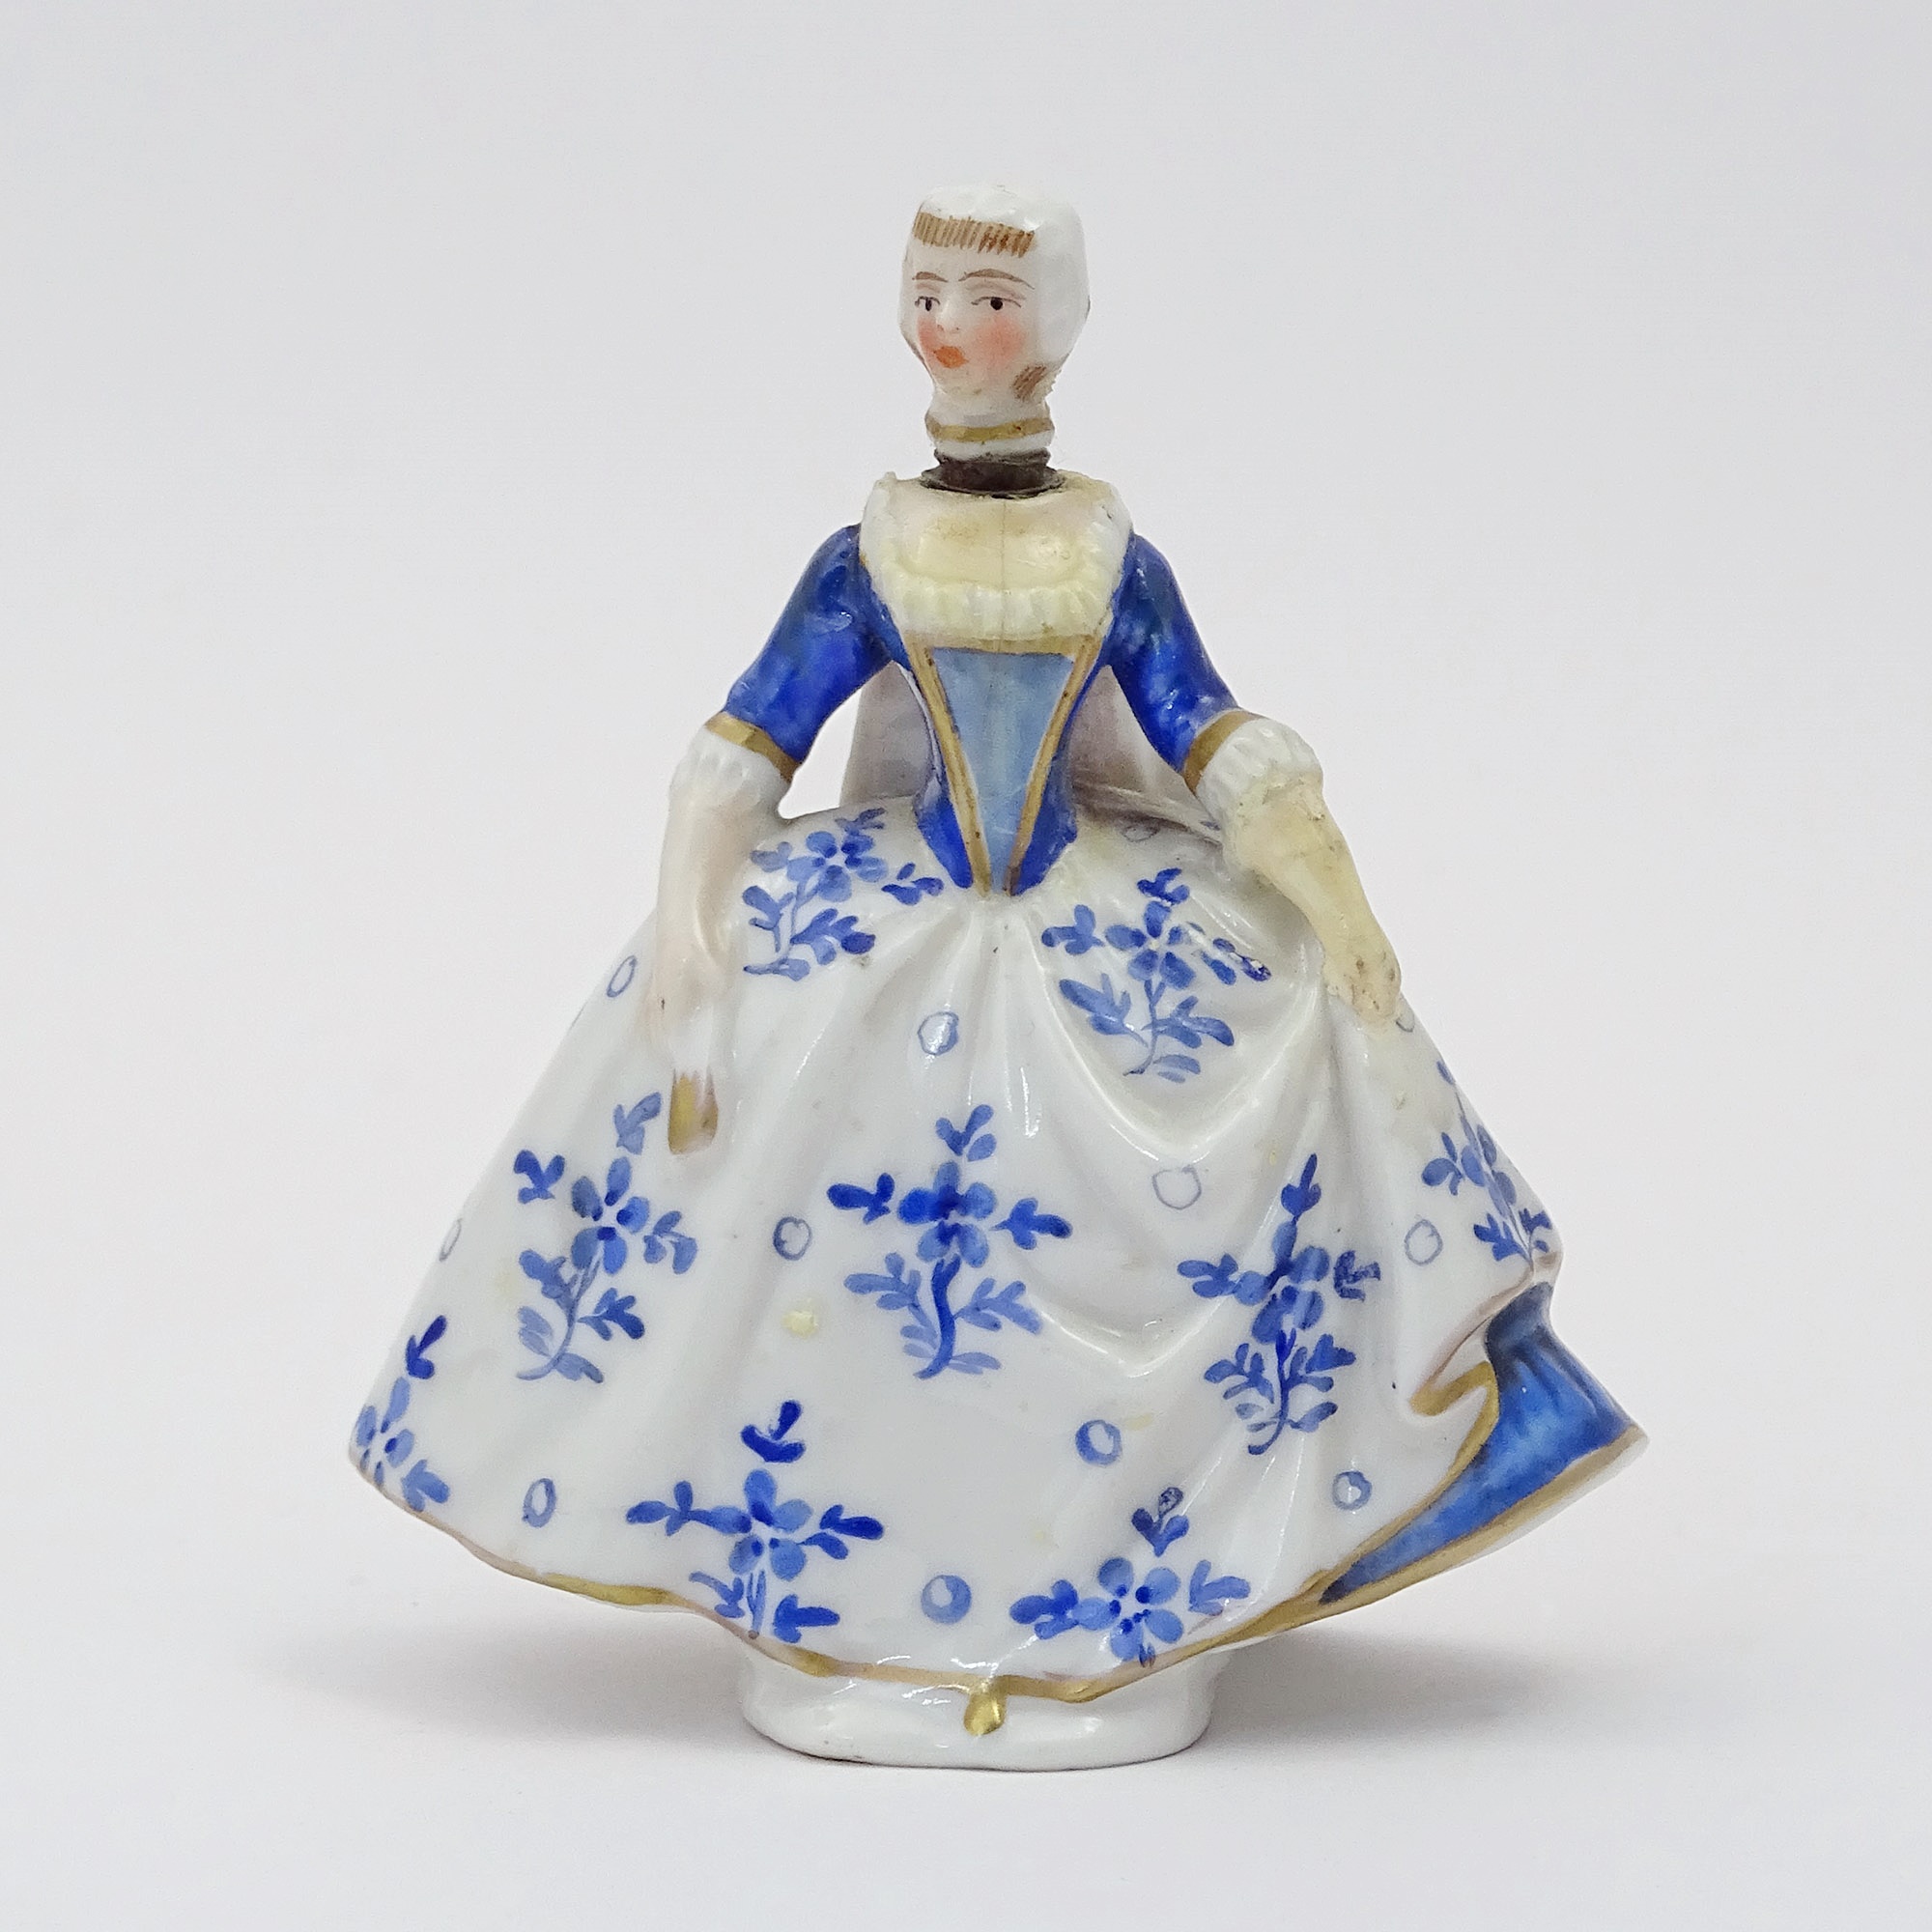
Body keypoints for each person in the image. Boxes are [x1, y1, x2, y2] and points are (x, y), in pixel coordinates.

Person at [354, 183, 1640, 1769]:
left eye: (992, 297)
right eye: (929, 293)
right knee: (804, 1225)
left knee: (1273, 1055)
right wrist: (688, 924)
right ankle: (858, 1598)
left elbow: (1207, 729)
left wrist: (1335, 895)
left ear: (1062, 326)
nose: (954, 328)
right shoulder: (870, 555)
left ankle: (1126, 1584)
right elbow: (746, 743)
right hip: (894, 927)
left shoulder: (1111, 556)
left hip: (1084, 917)